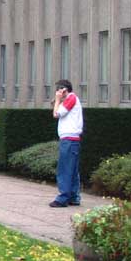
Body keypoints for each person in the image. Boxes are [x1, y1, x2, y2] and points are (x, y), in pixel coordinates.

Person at [50, 79, 83, 208]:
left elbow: (56, 114)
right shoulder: (71, 99)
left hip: (69, 140)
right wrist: (57, 100)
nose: (57, 93)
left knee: (65, 169)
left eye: (58, 90)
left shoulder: (71, 98)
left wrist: (58, 100)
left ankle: (62, 198)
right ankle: (74, 197)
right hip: (71, 140)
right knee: (72, 170)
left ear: (64, 89)